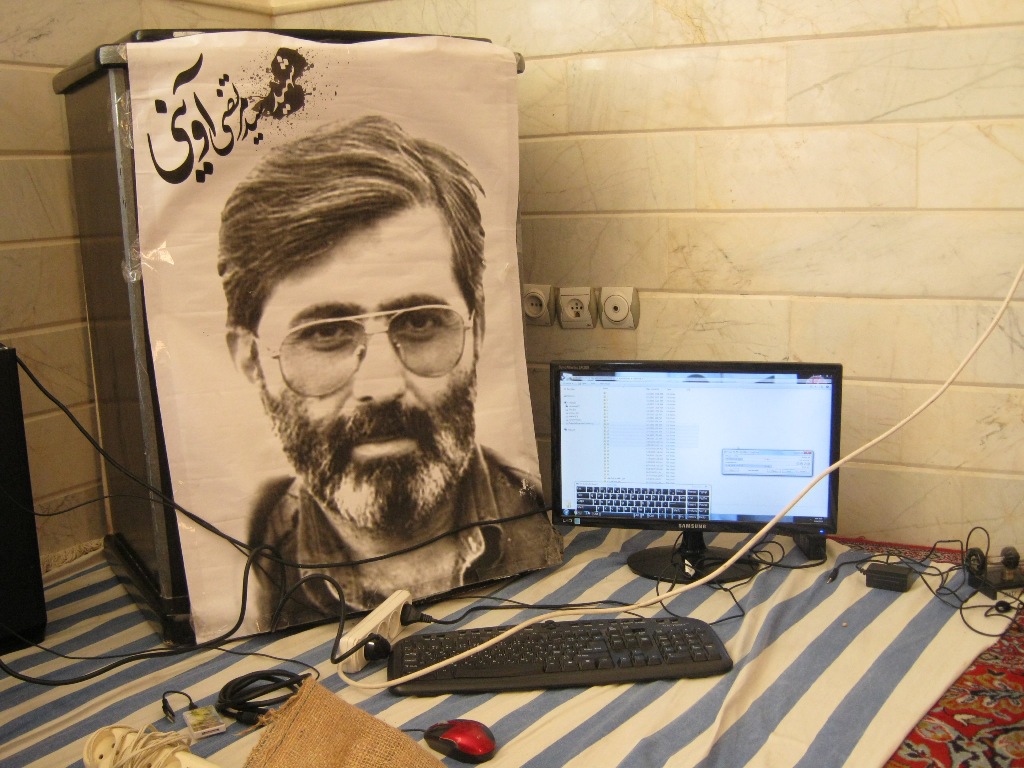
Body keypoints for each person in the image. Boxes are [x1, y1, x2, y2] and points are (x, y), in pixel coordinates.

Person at [217, 115, 563, 629]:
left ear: (479, 330)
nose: (381, 387)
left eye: (420, 322)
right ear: (251, 360)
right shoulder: (237, 577)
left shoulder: (535, 521)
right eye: (326, 332)